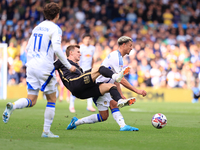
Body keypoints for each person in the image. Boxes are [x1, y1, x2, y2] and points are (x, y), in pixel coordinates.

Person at [2, 2, 76, 138]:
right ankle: (46, 132)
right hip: (44, 66)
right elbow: (57, 49)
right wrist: (68, 65)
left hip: (31, 66)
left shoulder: (37, 28)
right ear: (58, 15)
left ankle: (13, 106)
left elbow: (28, 48)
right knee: (52, 99)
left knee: (32, 99)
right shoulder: (55, 29)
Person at [67, 36, 147, 131]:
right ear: (124, 45)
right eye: (130, 45)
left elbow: (117, 78)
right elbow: (120, 79)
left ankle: (76, 122)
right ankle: (123, 126)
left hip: (107, 87)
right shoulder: (116, 57)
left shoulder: (117, 56)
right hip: (99, 87)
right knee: (111, 107)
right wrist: (136, 90)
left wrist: (120, 94)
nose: (131, 48)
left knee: (104, 115)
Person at [54, 45, 136, 109]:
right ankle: (115, 76)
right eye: (78, 52)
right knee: (99, 68)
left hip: (80, 93)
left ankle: (120, 101)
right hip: (73, 82)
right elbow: (50, 67)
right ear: (71, 53)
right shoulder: (62, 60)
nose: (80, 54)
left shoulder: (79, 68)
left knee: (111, 86)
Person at [69, 34, 96, 113]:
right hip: (81, 70)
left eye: (88, 39)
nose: (87, 40)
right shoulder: (80, 48)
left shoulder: (92, 48)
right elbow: (76, 59)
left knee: (90, 87)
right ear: (83, 39)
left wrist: (92, 68)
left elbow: (92, 58)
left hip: (89, 70)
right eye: (86, 39)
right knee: (76, 88)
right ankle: (71, 105)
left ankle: (89, 106)